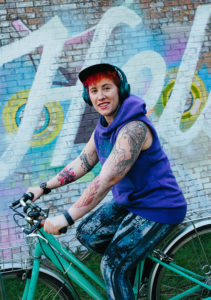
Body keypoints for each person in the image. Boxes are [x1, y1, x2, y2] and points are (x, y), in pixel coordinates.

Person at [27, 63, 187, 300]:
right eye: (93, 91)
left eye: (106, 88)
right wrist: (44, 187)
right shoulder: (104, 126)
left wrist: (66, 217)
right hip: (132, 203)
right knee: (88, 233)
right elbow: (83, 161)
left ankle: (125, 270)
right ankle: (135, 265)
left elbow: (106, 179)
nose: (100, 96)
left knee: (111, 266)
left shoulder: (134, 128)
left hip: (158, 207)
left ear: (120, 90)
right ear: (87, 96)